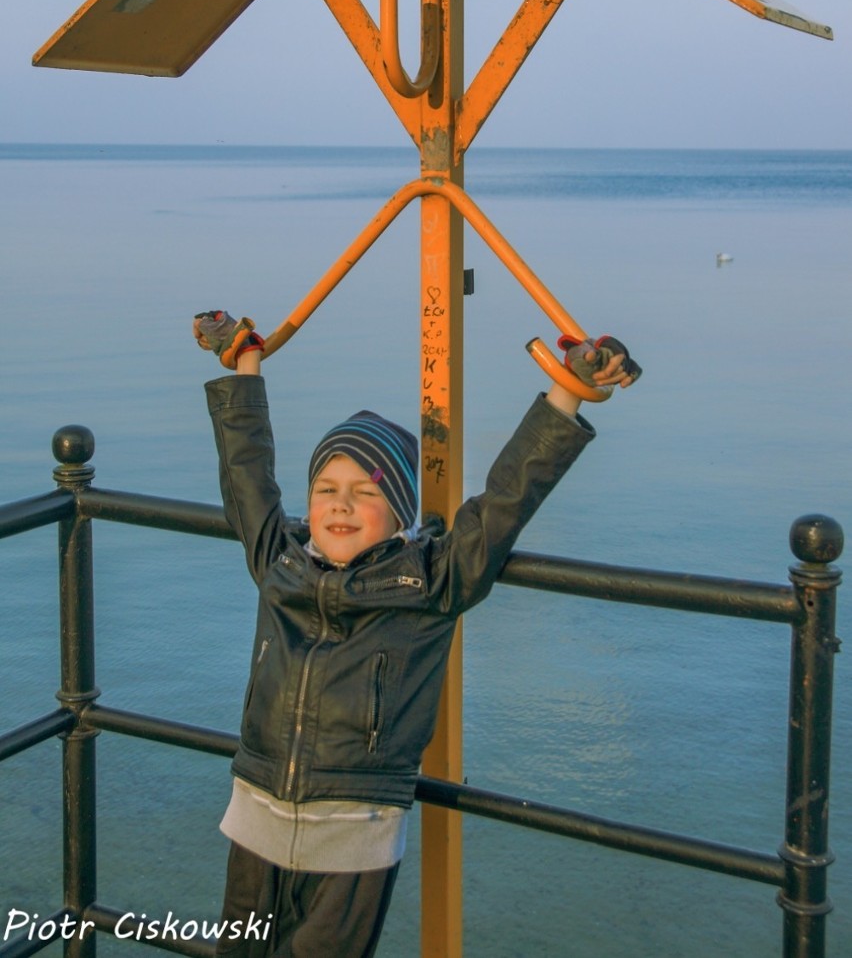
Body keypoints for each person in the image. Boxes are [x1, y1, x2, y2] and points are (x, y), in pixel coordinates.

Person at [193, 310, 640, 958]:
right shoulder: (279, 561)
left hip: (352, 835)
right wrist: (244, 363)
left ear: (400, 516)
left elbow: (504, 501)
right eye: (326, 487)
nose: (339, 503)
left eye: (362, 491)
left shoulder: (426, 582)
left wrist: (567, 391)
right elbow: (247, 478)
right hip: (256, 817)